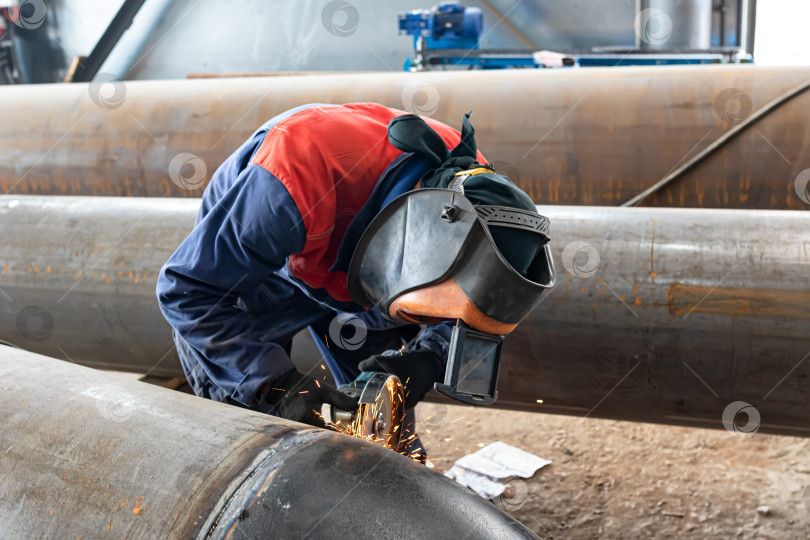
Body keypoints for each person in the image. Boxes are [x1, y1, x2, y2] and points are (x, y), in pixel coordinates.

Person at [156, 103, 552, 457]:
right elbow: (188, 292)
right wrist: (275, 387)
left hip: (355, 269)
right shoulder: (292, 178)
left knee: (381, 423)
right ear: (407, 256)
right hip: (265, 269)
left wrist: (429, 357)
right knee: (249, 421)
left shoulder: (481, 199)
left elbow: (467, 310)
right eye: (420, 316)